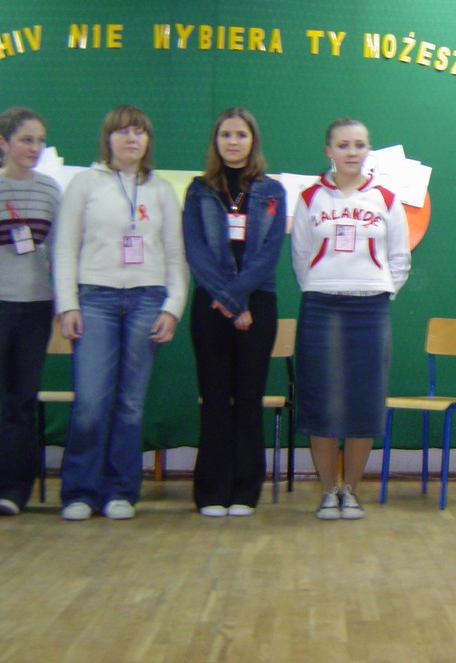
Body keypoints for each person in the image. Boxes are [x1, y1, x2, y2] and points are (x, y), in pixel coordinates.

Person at [53, 105, 189, 521]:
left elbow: (175, 254)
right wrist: (68, 304)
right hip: (95, 300)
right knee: (91, 402)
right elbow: (64, 248)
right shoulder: (84, 184)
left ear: (148, 140)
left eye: (139, 132)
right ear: (107, 138)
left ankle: (120, 492)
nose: (131, 138)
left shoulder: (161, 190)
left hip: (147, 300)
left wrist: (173, 308)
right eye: (123, 131)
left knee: (130, 405)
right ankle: (79, 492)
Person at [291, 118, 410, 520]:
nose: (352, 152)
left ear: (368, 150)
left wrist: (379, 289)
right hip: (321, 306)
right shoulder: (310, 197)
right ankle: (328, 491)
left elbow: (399, 258)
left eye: (359, 144)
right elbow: (301, 256)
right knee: (321, 398)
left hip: (370, 308)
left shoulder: (386, 198)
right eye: (343, 145)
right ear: (329, 151)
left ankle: (351, 492)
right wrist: (324, 284)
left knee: (364, 400)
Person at [183, 107, 286, 517]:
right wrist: (228, 300)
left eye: (241, 134)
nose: (233, 141)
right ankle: (211, 491)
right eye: (225, 134)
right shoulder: (198, 190)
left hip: (256, 302)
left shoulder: (272, 191)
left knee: (248, 398)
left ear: (252, 140)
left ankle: (245, 491)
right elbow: (195, 250)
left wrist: (237, 299)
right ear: (216, 140)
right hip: (211, 302)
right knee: (214, 398)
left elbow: (268, 255)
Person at [0, 108, 61, 516]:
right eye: (26, 140)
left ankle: (12, 490)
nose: (34, 148)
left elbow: (59, 251)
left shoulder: (50, 191)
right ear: (4, 143)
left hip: (36, 307)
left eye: (39, 140)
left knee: (21, 401)